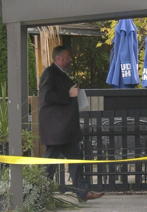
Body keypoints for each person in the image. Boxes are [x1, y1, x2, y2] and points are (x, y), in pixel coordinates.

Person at [39, 46, 104, 202]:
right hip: (57, 129)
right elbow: (46, 95)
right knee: (50, 163)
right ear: (59, 59)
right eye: (67, 57)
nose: (70, 60)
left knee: (75, 157)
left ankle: (82, 192)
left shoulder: (61, 74)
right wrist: (68, 94)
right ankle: (36, 191)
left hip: (64, 128)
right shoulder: (50, 73)